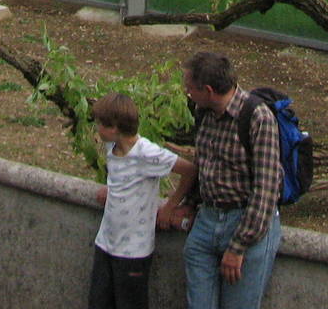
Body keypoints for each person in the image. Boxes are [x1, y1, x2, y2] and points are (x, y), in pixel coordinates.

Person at [158, 52, 281, 309]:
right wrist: (189, 203)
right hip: (208, 220)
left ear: (209, 90)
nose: (186, 92)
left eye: (190, 88)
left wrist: (238, 247)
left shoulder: (258, 118)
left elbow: (266, 191)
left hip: (246, 223)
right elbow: (204, 165)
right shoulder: (204, 113)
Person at [88, 92, 195, 309]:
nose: (97, 128)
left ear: (114, 128)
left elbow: (190, 170)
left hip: (133, 251)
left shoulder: (147, 153)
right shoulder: (112, 148)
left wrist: (170, 205)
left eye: (100, 124)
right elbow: (123, 177)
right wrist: (112, 188)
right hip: (106, 242)